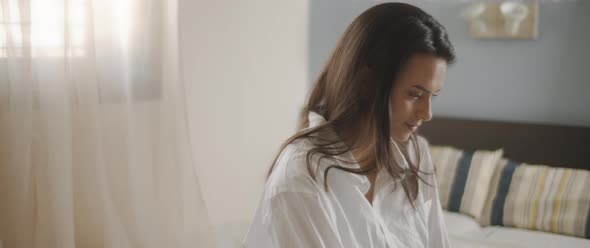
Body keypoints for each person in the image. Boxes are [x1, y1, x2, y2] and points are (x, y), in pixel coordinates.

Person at [242, 2, 455, 247]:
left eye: (433, 96)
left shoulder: (415, 155)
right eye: (415, 94)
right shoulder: (302, 177)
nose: (427, 113)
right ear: (367, 81)